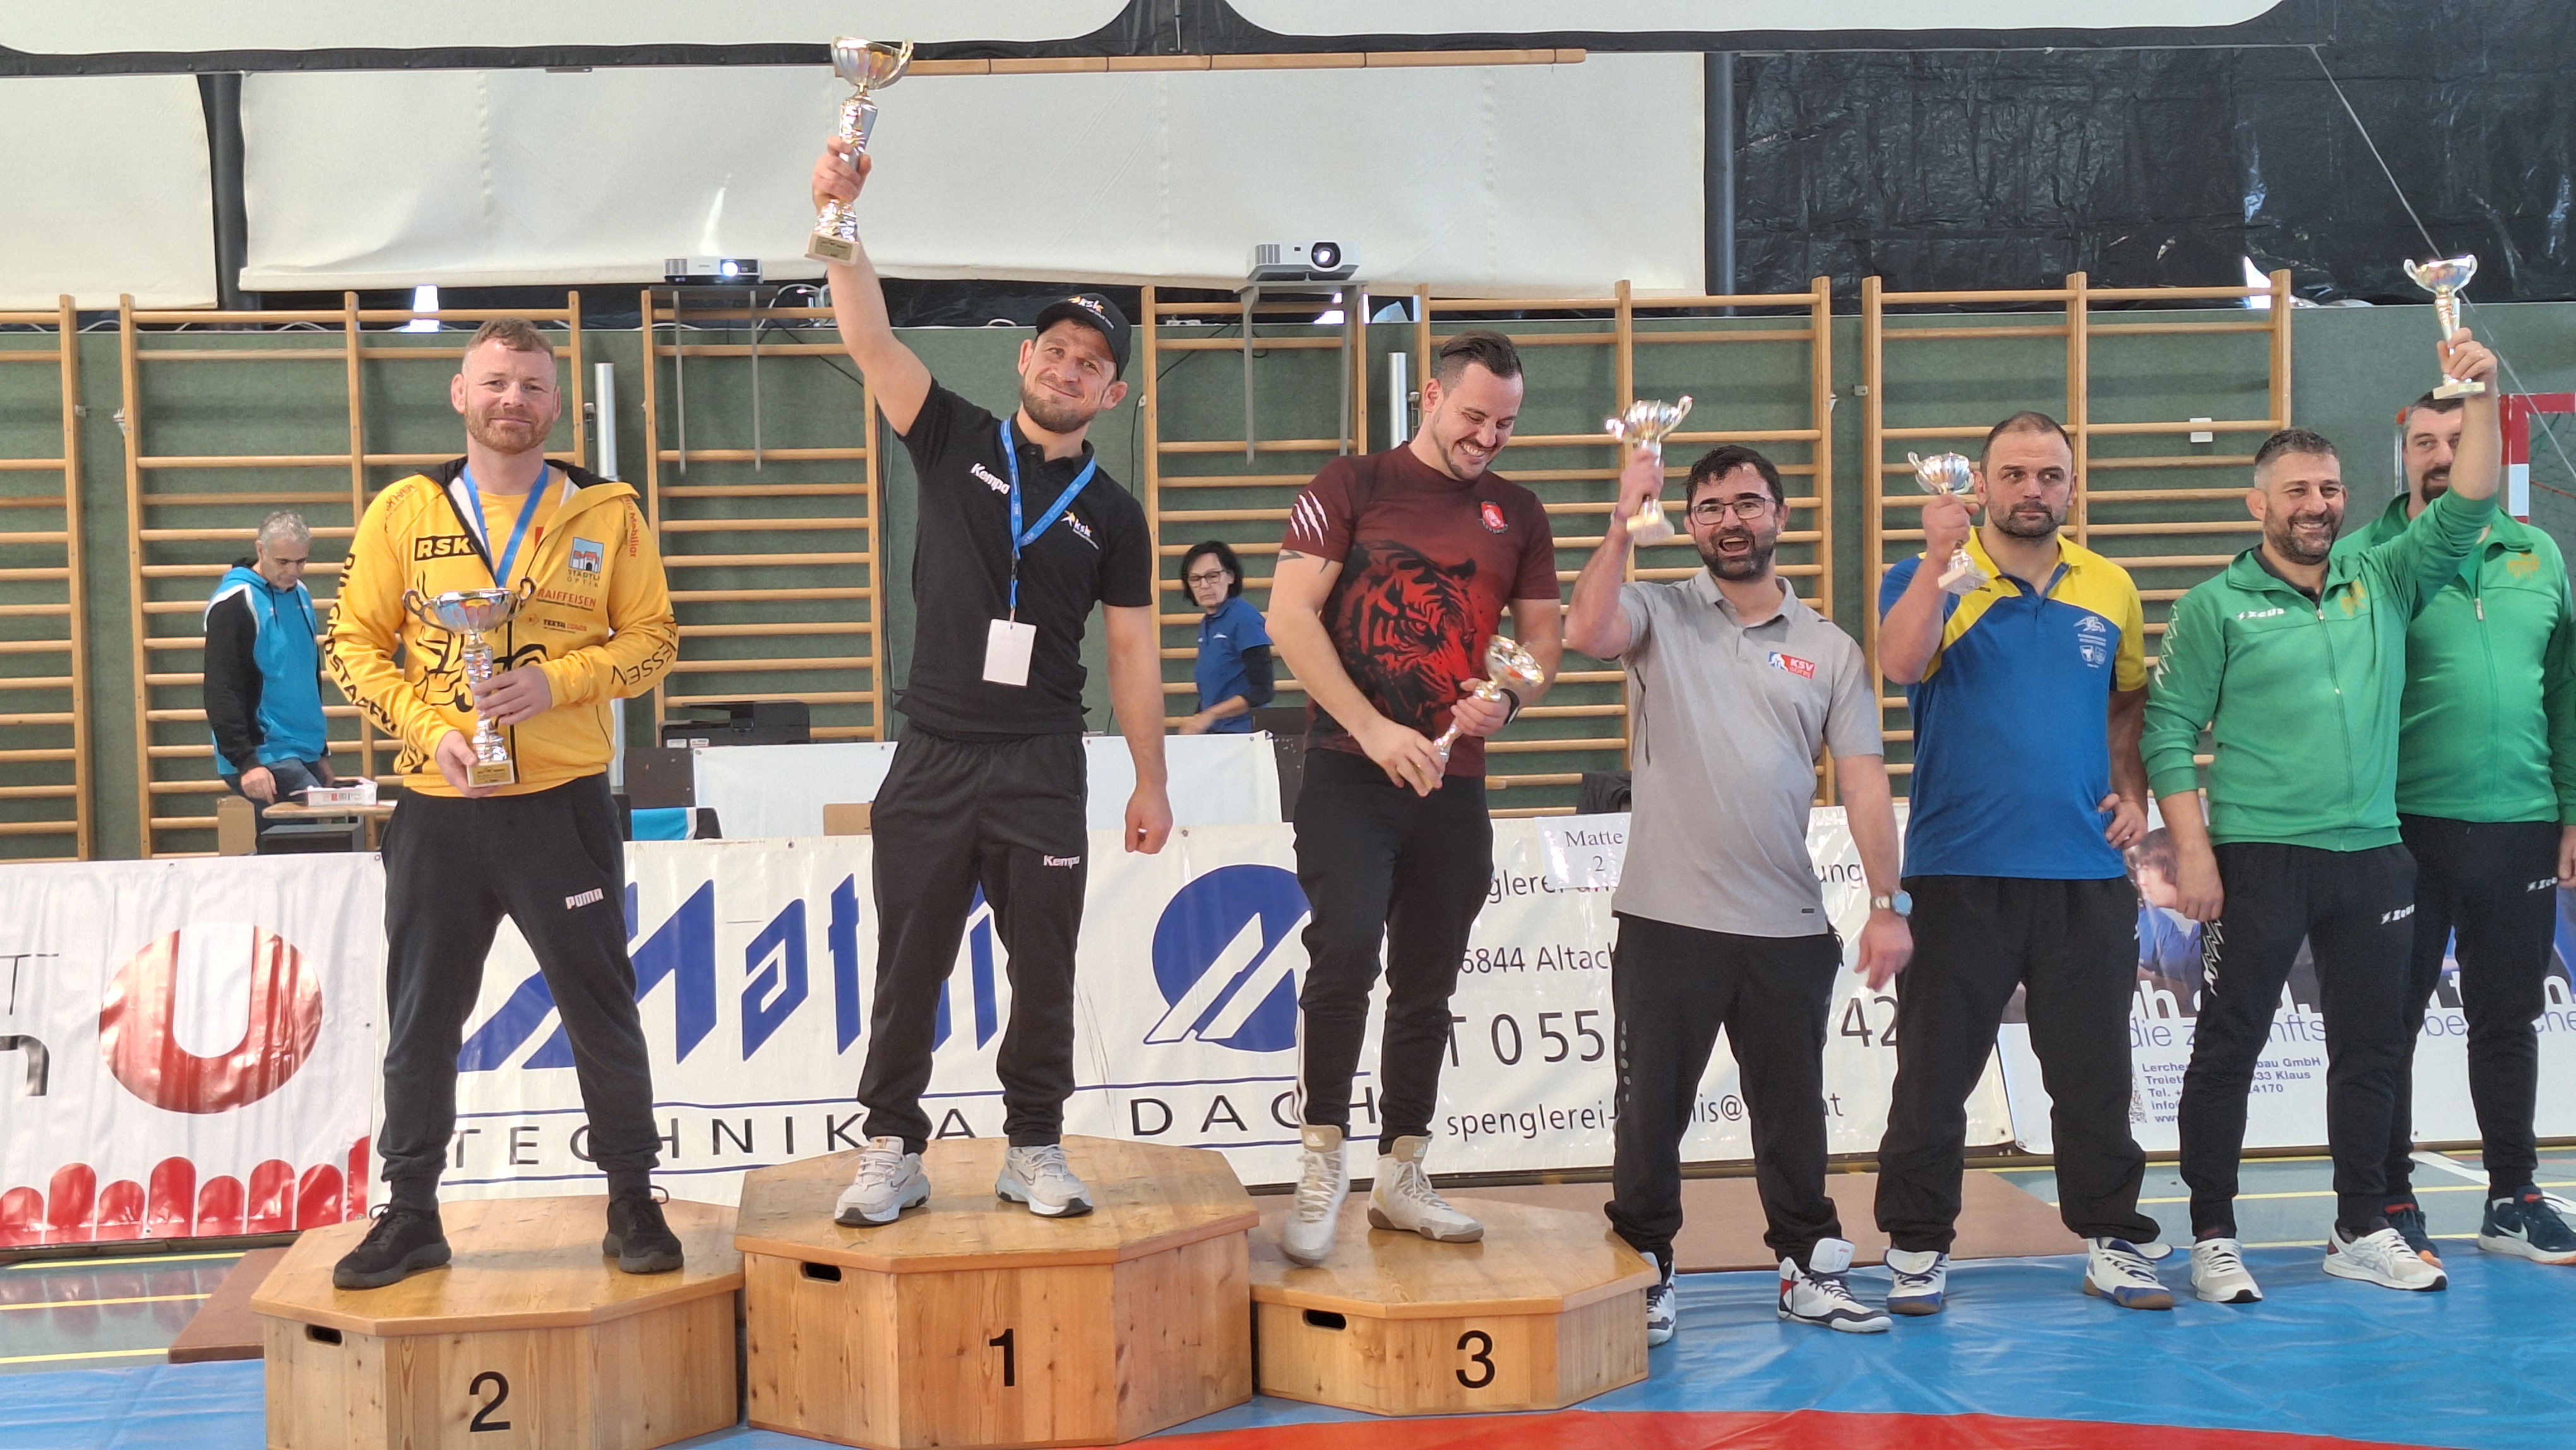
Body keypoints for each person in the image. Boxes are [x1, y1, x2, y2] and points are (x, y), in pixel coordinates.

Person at [809, 135, 1171, 1228]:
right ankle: (891, 1148)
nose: (1068, 370)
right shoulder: (950, 435)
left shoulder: (1115, 516)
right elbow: (868, 337)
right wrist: (840, 222)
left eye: (1090, 364)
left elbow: (1133, 653)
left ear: (1112, 391)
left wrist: (1151, 780)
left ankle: (1035, 1146)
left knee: (1043, 970)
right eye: (1055, 351)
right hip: (933, 753)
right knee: (908, 965)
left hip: (1043, 764)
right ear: (1025, 361)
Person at [2144, 328, 2503, 1304]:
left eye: (2332, 489)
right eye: (2297, 490)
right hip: (2259, 857)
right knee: (2230, 1044)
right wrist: (2193, 852)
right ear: (2258, 504)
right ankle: (2213, 1235)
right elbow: (2168, 732)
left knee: (2374, 1048)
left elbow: (2472, 500)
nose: (2318, 505)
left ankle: (2360, 1224)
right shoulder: (2216, 606)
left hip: (2374, 856)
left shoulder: (2383, 575)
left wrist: (2479, 396)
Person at [325, 317, 684, 1288]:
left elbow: (654, 640)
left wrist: (557, 683)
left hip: (561, 808)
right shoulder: (404, 511)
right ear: (460, 394)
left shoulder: (608, 513)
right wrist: (425, 727)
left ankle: (632, 1199)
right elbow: (352, 646)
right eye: (494, 382)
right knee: (421, 1015)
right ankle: (410, 1213)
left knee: (600, 1009)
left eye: (530, 385)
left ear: (556, 404)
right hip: (438, 807)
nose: (511, 401)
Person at [1566, 443, 1910, 1345]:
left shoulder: (1829, 648)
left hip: (1786, 927)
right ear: (1688, 522)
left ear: (1780, 517)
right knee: (1651, 1115)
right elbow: (1587, 632)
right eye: (1711, 507)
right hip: (1667, 921)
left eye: (1749, 503)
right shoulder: (1657, 611)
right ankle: (1647, 1266)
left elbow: (1864, 781)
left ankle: (1806, 1266)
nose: (1731, 520)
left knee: (1793, 1116)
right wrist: (1620, 524)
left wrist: (1888, 903)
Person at [1265, 330, 1562, 1266]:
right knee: (1345, 954)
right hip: (1349, 772)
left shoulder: (1519, 513)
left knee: (1429, 981)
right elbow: (1287, 618)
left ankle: (1403, 1171)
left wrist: (1509, 699)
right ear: (1429, 397)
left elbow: (1541, 643)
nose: (1487, 438)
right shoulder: (1351, 485)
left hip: (1452, 784)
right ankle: (1322, 1162)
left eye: (1505, 425)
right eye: (1473, 416)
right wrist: (1372, 729)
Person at [1869, 412, 2172, 1314]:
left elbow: (2127, 703)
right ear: (1982, 485)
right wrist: (1939, 559)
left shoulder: (2110, 586)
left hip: (2085, 872)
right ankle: (1918, 1244)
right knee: (1935, 1075)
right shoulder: (1929, 575)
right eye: (2013, 474)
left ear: (2071, 487)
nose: (2031, 490)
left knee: (2094, 1076)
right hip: (1959, 869)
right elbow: (1900, 663)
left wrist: (2133, 791)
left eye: (2049, 475)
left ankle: (2113, 1238)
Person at [2332, 388, 2576, 1267]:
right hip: (2402, 829)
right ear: (2403, 455)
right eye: (2424, 442)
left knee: (2508, 1019)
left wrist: (2571, 808)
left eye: (2456, 439)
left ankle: (2513, 1196)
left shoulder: (2538, 553)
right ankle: (2390, 1196)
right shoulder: (2366, 558)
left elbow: (2565, 691)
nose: (2439, 456)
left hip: (2521, 823)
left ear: (2489, 450)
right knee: (2387, 1022)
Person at [205, 510, 333, 818]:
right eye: (283, 562)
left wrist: (320, 752)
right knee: (310, 835)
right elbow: (221, 689)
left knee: (330, 831)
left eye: (301, 562)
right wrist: (246, 763)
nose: (293, 572)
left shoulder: (300, 594)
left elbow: (306, 676)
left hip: (303, 749)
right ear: (261, 550)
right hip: (264, 753)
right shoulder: (235, 602)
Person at [1178, 540, 1273, 734]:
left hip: (1244, 735)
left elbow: (1262, 691)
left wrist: (1211, 715)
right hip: (1216, 735)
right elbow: (1217, 689)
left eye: (1212, 576)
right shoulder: (1208, 623)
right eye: (1195, 579)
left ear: (1230, 576)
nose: (1204, 585)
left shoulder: (1244, 619)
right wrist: (1199, 719)